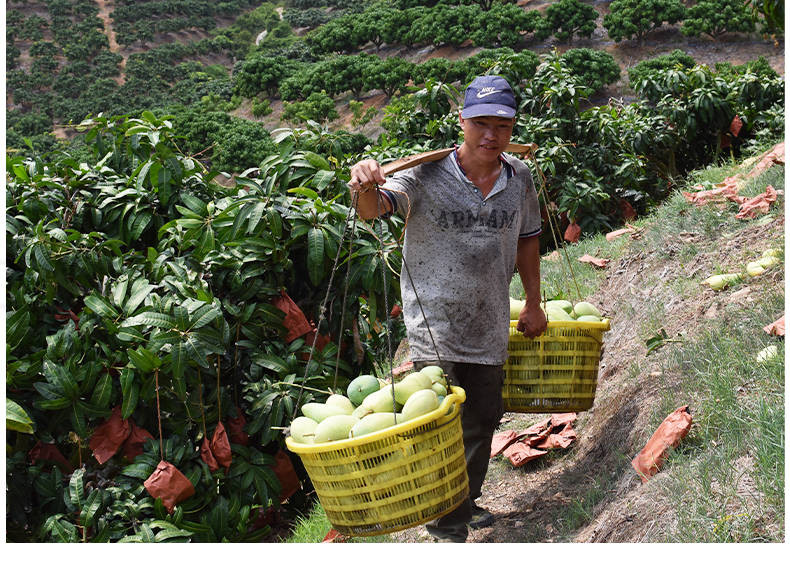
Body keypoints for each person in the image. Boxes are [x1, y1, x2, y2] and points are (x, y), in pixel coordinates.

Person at [348, 75, 547, 543]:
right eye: (480, 123)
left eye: (501, 124)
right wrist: (364, 184)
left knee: (482, 418)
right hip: (433, 321)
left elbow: (529, 239)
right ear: (461, 122)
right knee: (441, 422)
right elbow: (376, 209)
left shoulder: (518, 177)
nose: (490, 134)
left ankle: (464, 503)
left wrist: (534, 302)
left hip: (490, 315)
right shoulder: (426, 174)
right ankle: (445, 527)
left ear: (513, 125)